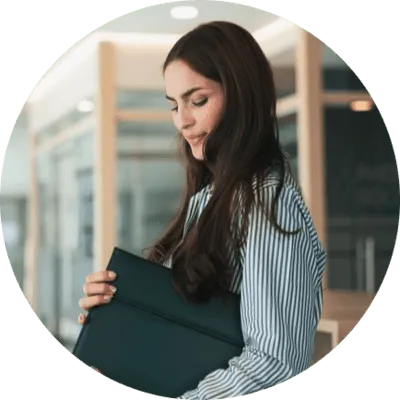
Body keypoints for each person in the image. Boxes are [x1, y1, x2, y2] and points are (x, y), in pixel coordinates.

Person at [78, 20, 326, 399]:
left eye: (198, 100)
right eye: (175, 105)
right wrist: (116, 314)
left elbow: (274, 362)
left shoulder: (267, 203)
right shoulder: (209, 200)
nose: (183, 120)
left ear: (242, 95)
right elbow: (182, 329)